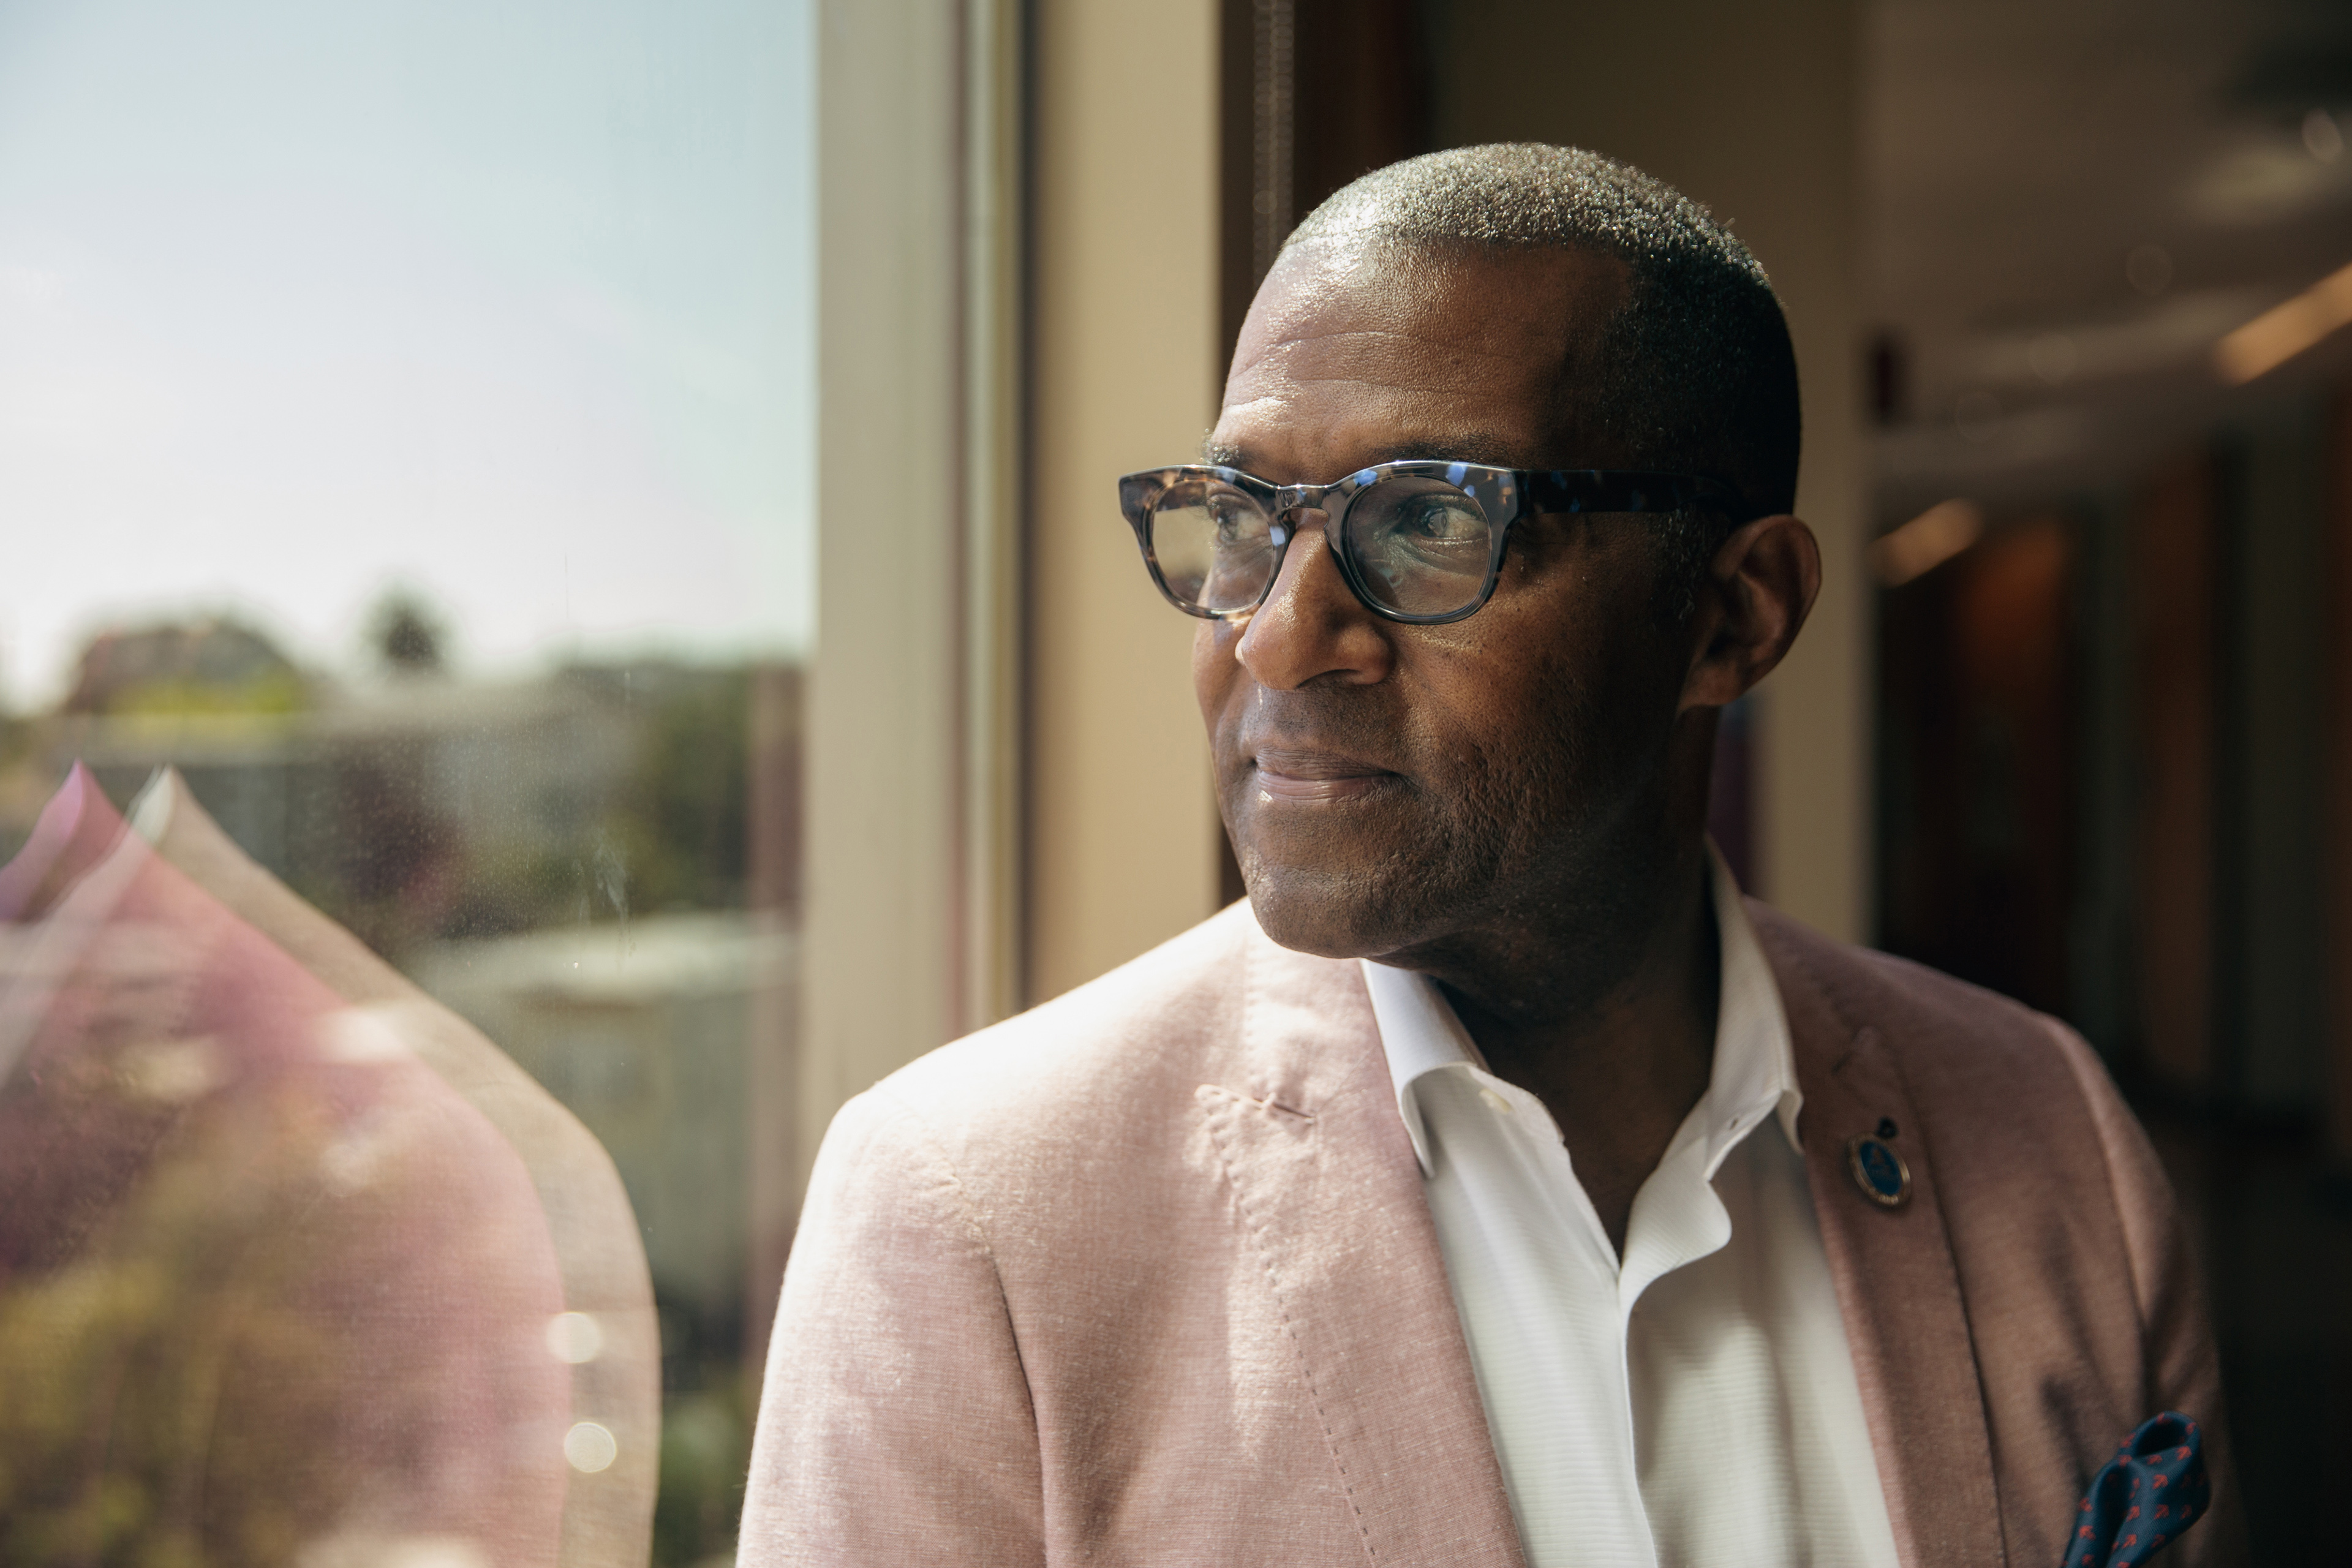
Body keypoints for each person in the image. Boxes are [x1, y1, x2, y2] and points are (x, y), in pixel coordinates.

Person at [741, 145, 2241, 1567]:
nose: (1276, 637)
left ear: (1735, 616)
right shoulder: (971, 1212)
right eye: (1245, 520)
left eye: (1429, 519)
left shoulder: (2060, 1142)